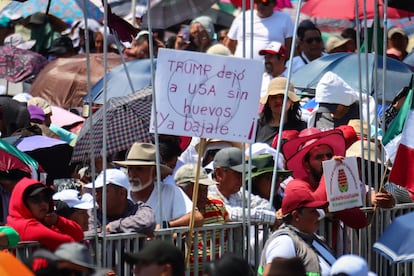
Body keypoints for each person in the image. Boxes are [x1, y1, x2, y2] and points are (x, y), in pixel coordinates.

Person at [114, 143, 204, 228]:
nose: (132, 174)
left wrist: (166, 226)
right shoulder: (119, 194)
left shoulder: (170, 191)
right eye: (130, 169)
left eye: (139, 169)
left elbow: (197, 218)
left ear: (155, 173)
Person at [258, 186, 330, 276]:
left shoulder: (312, 239)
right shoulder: (284, 242)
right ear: (296, 216)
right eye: (313, 211)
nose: (318, 215)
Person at [175, 163, 229, 275]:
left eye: (206, 189)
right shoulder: (174, 211)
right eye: (198, 189)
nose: (203, 194)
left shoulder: (217, 206)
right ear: (181, 189)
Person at [6, 177, 84, 251]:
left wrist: (58, 220)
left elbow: (79, 235)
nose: (43, 203)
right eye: (35, 199)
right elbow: (70, 244)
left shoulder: (45, 223)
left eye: (46, 198)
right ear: (23, 203)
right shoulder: (26, 226)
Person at [208, 147, 277, 225]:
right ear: (219, 173)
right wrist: (271, 217)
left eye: (244, 174)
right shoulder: (207, 192)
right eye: (238, 174)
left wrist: (269, 216)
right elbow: (229, 214)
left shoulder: (239, 193)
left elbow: (267, 206)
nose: (242, 179)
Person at [84, 168, 156, 235]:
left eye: (103, 191)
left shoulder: (139, 209)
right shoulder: (92, 214)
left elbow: (147, 221)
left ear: (122, 193)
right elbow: (91, 233)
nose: (97, 197)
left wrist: (112, 227)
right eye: (96, 191)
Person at [225, 0, 294, 60]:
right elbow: (229, 43)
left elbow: (290, 48)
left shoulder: (285, 19)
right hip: (242, 69)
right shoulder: (243, 16)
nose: (260, 5)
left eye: (265, 2)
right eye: (257, 1)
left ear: (274, 3)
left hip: (270, 71)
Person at [256, 77, 306, 145]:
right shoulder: (257, 126)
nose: (278, 100)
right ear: (268, 103)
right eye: (273, 97)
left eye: (283, 97)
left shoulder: (302, 128)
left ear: (292, 101)